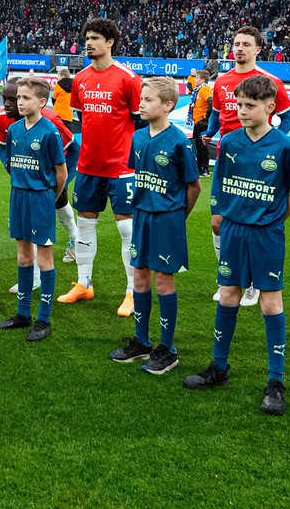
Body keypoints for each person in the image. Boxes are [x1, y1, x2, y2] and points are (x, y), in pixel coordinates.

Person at [183, 75, 290, 416]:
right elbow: (220, 180)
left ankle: (276, 381)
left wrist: (275, 220)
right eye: (239, 105)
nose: (242, 111)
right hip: (234, 230)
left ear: (270, 107)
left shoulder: (284, 146)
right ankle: (219, 367)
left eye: (249, 106)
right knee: (229, 293)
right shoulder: (230, 141)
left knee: (269, 302)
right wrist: (221, 212)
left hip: (266, 233)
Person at [109, 77, 202, 375]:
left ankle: (167, 349)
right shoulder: (138, 137)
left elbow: (194, 186)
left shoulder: (178, 141)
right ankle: (142, 341)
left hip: (167, 219)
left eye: (148, 100)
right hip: (142, 216)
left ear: (168, 105)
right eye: (141, 99)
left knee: (164, 280)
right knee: (139, 278)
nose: (141, 104)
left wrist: (176, 216)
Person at [203, 27, 290, 307]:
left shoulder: (271, 82)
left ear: (258, 49)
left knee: (254, 221)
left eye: (246, 44)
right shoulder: (221, 81)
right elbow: (217, 115)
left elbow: (287, 120)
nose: (239, 48)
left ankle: (254, 283)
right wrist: (209, 132)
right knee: (219, 220)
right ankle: (228, 277)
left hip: (261, 164)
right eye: (236, 43)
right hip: (228, 157)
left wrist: (275, 147)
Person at [59, 17, 143, 317]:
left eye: (95, 38)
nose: (89, 43)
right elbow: (83, 118)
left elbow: (140, 120)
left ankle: (133, 291)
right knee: (85, 225)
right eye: (87, 38)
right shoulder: (80, 79)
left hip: (121, 167)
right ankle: (84, 283)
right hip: (88, 165)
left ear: (110, 42)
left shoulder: (127, 78)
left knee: (126, 229)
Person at [0, 77, 67, 342]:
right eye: (18, 98)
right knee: (24, 257)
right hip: (19, 197)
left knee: (44, 259)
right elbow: (13, 164)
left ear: (42, 101)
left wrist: (50, 198)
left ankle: (43, 320)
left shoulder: (49, 132)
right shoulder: (14, 130)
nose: (19, 102)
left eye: (26, 98)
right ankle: (22, 313)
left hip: (40, 199)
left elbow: (62, 172)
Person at [189, 69, 213, 177]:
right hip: (197, 121)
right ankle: (199, 168)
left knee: (202, 146)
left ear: (202, 79)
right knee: (198, 146)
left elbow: (211, 101)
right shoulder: (198, 90)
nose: (195, 79)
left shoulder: (204, 89)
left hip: (202, 122)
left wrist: (206, 117)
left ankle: (205, 169)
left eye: (197, 77)